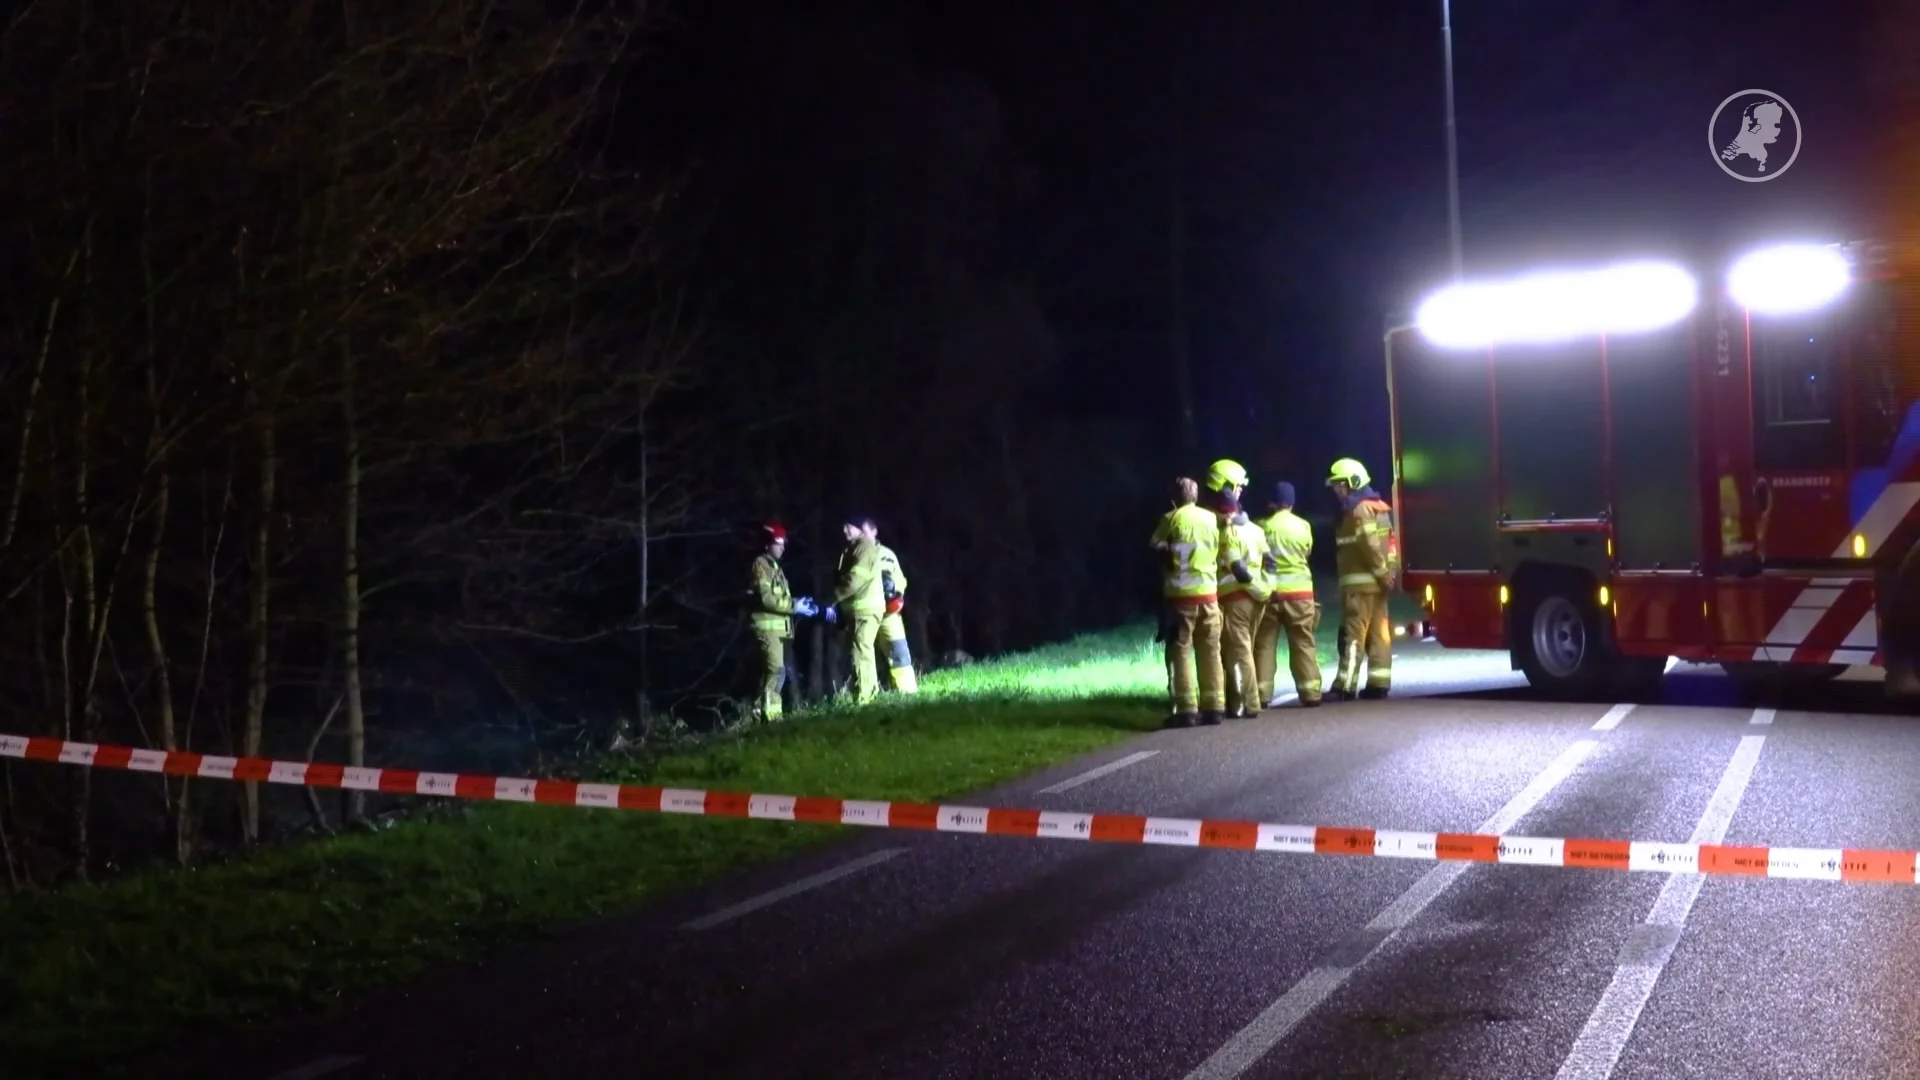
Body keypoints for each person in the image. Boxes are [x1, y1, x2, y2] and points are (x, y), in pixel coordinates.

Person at [1150, 477, 1224, 727]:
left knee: (1180, 650)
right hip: (1210, 595)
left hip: (1181, 597)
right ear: (1195, 496)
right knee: (1211, 650)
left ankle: (1186, 710)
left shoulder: (1171, 519)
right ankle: (1214, 707)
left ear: (1174, 499)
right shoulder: (1210, 518)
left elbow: (1155, 547)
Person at [1327, 457, 1399, 700]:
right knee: (1380, 634)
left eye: (1339, 485)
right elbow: (1390, 546)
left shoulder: (1358, 510)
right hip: (1379, 585)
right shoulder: (1380, 508)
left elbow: (1369, 546)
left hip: (1360, 587)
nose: (1337, 491)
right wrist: (1388, 575)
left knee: (1354, 636)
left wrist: (1380, 574)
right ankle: (1379, 683)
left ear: (1352, 483)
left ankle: (1345, 687)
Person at [1256, 482, 1323, 707]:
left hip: (1270, 594)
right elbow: (1307, 551)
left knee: (1264, 644)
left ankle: (1261, 695)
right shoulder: (1303, 526)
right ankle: (1311, 693)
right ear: (1292, 503)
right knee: (1303, 642)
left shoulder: (1261, 527)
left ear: (1272, 503)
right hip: (1300, 594)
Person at [1212, 460, 1269, 718]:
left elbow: (1235, 565)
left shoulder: (1225, 530)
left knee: (1239, 652)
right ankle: (1236, 701)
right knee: (1243, 651)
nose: (1240, 492)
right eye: (1237, 487)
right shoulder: (1256, 529)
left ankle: (1248, 702)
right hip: (1255, 598)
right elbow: (1271, 563)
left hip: (1234, 598)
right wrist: (1264, 588)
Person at [747, 521, 818, 722]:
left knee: (773, 672)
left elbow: (779, 598)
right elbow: (767, 599)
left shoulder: (775, 567)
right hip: (767, 629)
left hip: (779, 630)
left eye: (784, 543)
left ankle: (759, 713)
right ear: (767, 544)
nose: (783, 547)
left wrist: (798, 603)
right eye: (778, 542)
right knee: (776, 671)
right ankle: (772, 717)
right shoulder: (761, 565)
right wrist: (795, 607)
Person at [822, 513, 887, 705]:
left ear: (859, 528)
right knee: (862, 650)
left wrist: (832, 598)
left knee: (861, 651)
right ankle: (869, 692)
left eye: (848, 526)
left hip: (866, 609)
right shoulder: (854, 548)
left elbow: (854, 580)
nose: (844, 530)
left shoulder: (864, 547)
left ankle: (864, 697)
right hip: (859, 610)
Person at [864, 521, 919, 694]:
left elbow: (900, 579)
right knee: (864, 656)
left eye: (865, 532)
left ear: (874, 531)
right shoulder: (853, 555)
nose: (862, 537)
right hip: (865, 612)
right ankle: (867, 696)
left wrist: (895, 590)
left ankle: (906, 692)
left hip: (889, 613)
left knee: (899, 651)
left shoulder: (887, 554)